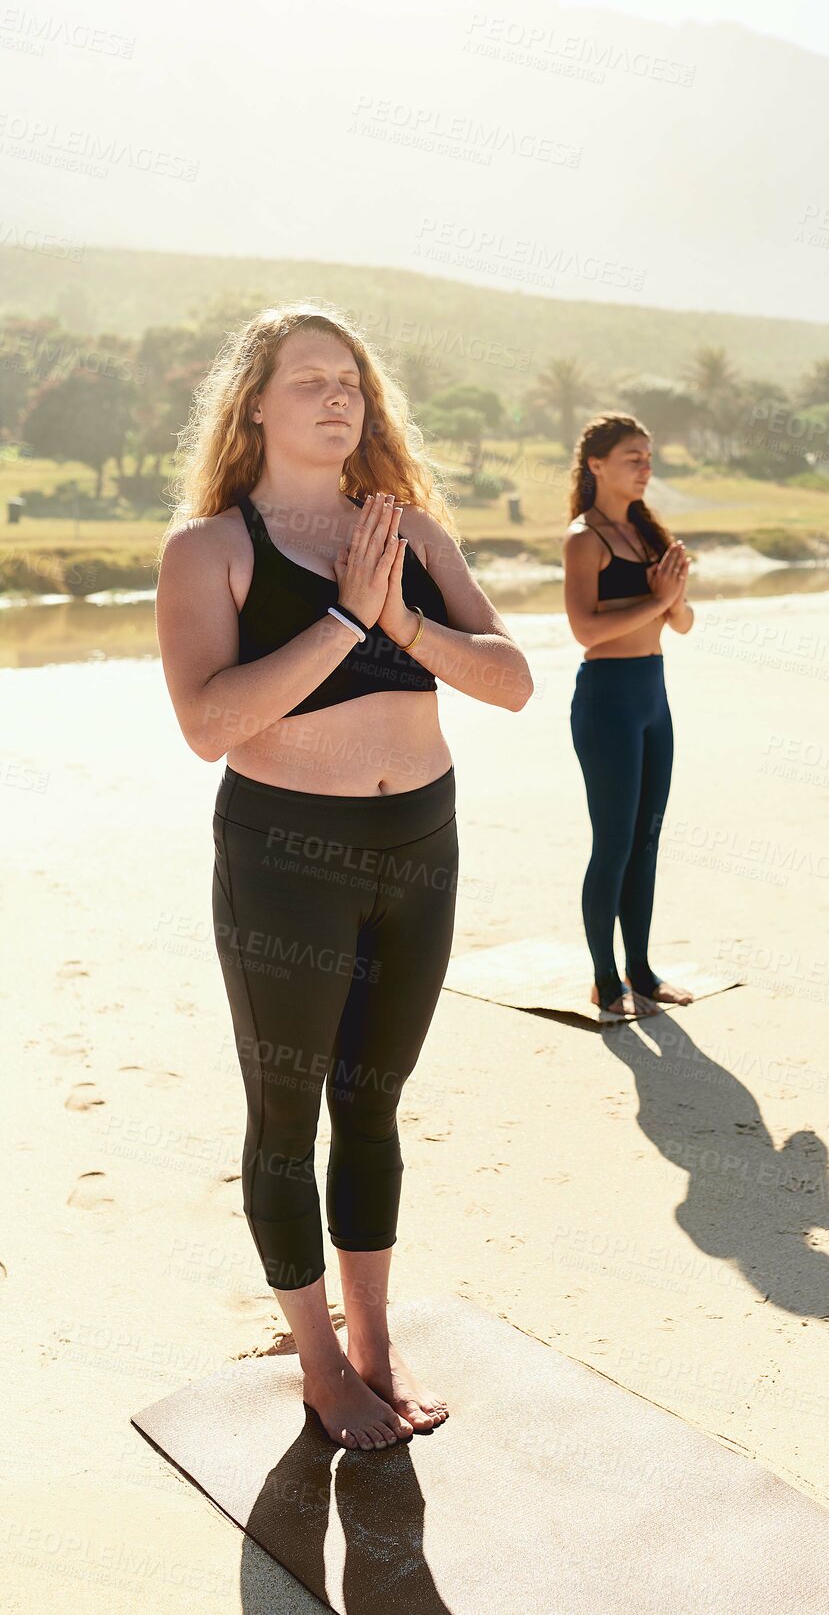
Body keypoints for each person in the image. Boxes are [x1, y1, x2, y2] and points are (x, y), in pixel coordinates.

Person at [154, 303, 532, 1452]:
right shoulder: (208, 549)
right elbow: (208, 724)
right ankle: (318, 1364)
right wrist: (343, 619)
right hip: (284, 859)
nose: (335, 398)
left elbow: (511, 681)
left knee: (373, 1103)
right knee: (286, 1115)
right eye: (308, 378)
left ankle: (373, 1341)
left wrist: (402, 620)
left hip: (421, 844)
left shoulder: (410, 532)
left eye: (352, 382)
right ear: (255, 402)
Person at [563, 413, 695, 1019]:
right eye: (633, 458)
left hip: (653, 697)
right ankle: (604, 979)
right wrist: (658, 599)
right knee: (613, 843)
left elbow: (682, 623)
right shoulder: (584, 538)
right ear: (596, 465)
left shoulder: (647, 534)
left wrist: (674, 596)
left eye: (648, 457)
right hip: (608, 701)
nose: (645, 468)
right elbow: (584, 630)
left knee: (646, 841)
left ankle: (642, 973)